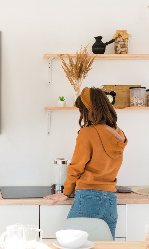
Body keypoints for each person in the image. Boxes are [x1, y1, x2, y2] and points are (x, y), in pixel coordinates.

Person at [44, 87, 127, 239]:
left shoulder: (88, 133)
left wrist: (66, 193)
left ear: (89, 110)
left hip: (88, 198)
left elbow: (76, 168)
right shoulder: (118, 134)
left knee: (70, 244)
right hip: (110, 200)